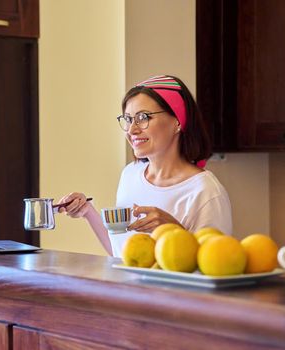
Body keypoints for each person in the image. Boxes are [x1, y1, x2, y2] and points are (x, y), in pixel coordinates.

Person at [57, 75, 232, 257]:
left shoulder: (206, 192)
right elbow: (122, 254)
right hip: (126, 287)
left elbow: (214, 267)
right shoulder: (130, 175)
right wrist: (87, 211)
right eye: (128, 119)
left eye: (143, 117)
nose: (132, 130)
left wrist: (173, 231)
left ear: (177, 121)